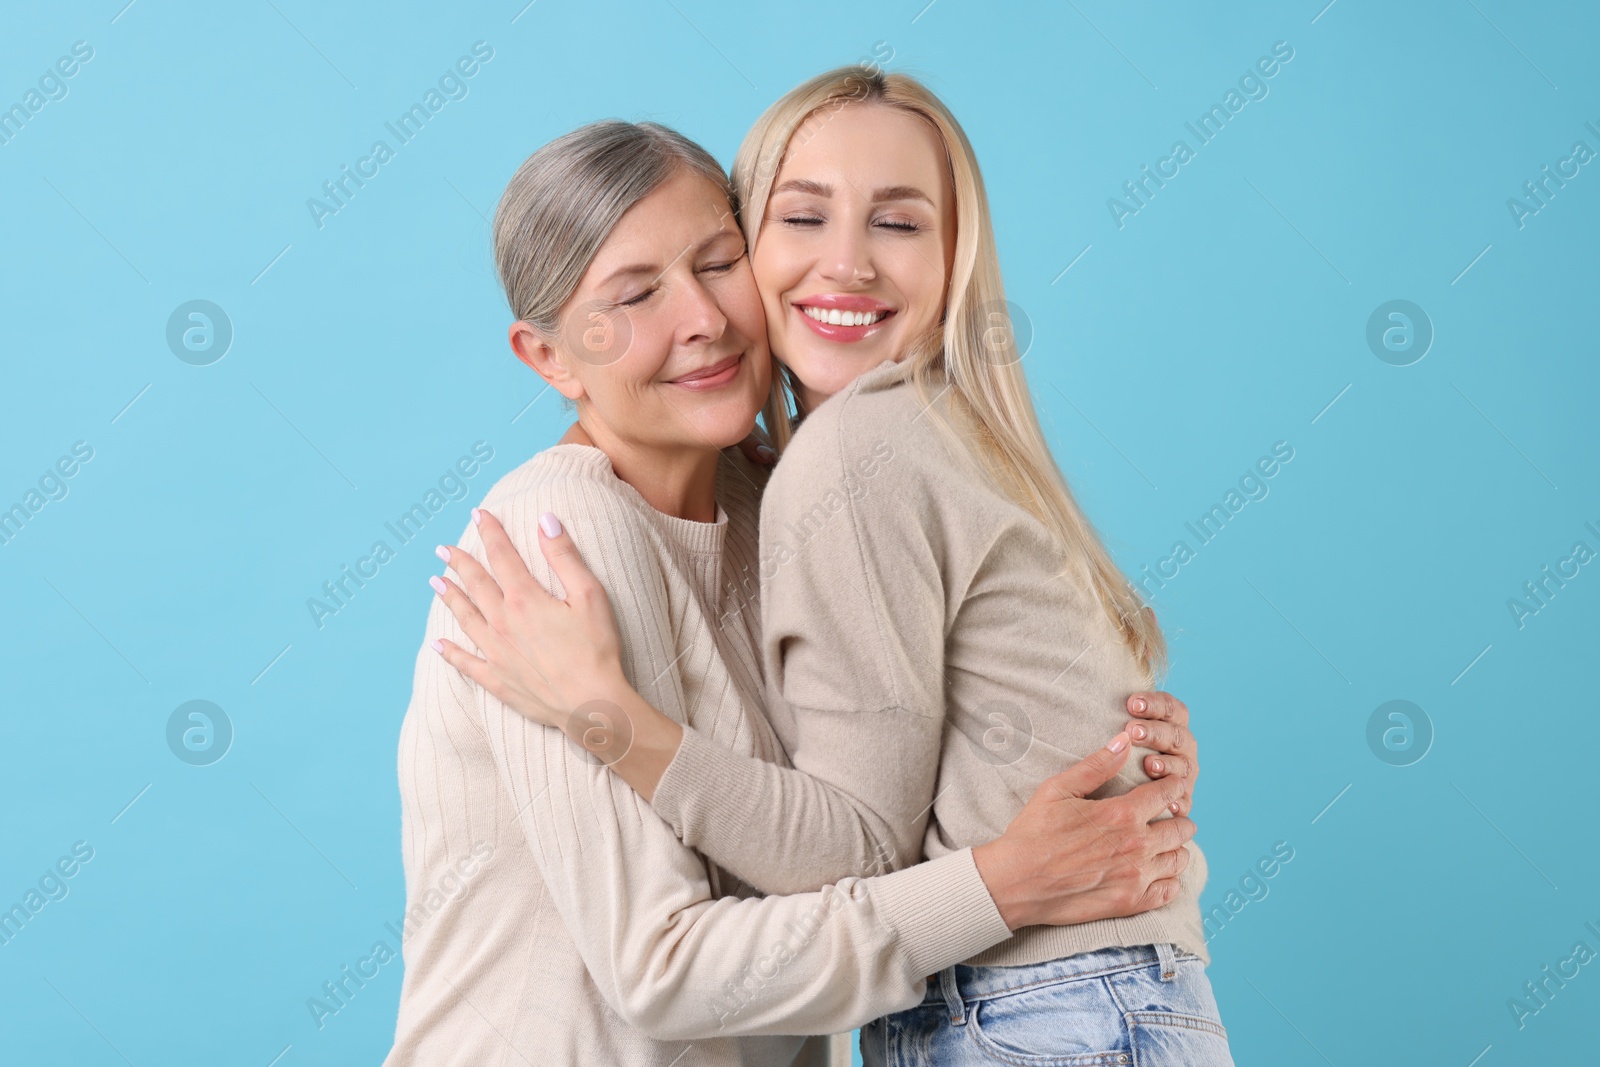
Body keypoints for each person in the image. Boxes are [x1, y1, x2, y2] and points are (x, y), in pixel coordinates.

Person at [430, 67, 1231, 1066]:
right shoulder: (560, 538)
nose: (703, 320)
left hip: (1040, 1010)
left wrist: (1108, 752)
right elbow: (664, 965)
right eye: (635, 294)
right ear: (548, 358)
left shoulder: (803, 490)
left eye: (715, 263)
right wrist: (1004, 877)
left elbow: (866, 812)